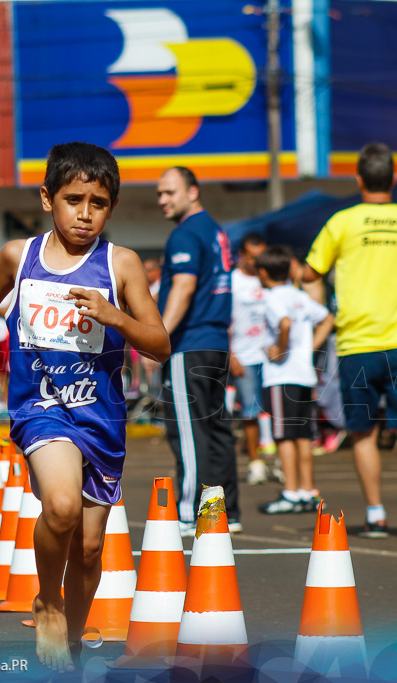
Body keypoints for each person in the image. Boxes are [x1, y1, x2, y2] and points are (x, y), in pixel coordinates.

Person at [0, 142, 169, 673]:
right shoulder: (19, 256)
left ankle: (73, 648)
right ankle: (47, 601)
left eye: (98, 202)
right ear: (47, 198)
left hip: (101, 418)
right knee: (60, 506)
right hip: (41, 409)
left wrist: (114, 315)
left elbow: (160, 342)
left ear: (112, 206)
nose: (84, 213)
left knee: (90, 549)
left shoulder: (119, 264)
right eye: (73, 199)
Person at [303, 142, 397, 538]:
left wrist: (325, 303)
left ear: (358, 179)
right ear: (394, 178)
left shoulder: (342, 222)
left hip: (357, 344)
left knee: (363, 431)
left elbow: (311, 272)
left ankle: (376, 514)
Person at [155, 166, 240, 535]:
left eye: (170, 192)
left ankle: (192, 513)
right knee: (217, 431)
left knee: (190, 433)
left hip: (190, 346)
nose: (162, 200)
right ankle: (225, 512)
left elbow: (184, 287)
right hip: (216, 344)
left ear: (193, 192)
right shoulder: (215, 230)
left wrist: (157, 335)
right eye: (160, 193)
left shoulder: (186, 233)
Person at [256, 246, 334, 514]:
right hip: (303, 373)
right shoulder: (299, 295)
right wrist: (310, 347)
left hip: (282, 375)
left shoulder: (272, 297)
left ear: (263, 273)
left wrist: (280, 349)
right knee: (302, 435)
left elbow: (285, 323)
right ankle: (307, 489)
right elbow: (328, 318)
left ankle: (291, 491)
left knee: (284, 436)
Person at [229, 233, 272, 484]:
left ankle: (273, 461)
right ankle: (256, 461)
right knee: (250, 410)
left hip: (271, 356)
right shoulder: (233, 281)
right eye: (253, 257)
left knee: (272, 410)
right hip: (244, 355)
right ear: (242, 255)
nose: (258, 262)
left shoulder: (268, 278)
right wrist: (231, 354)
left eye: (262, 257)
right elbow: (224, 322)